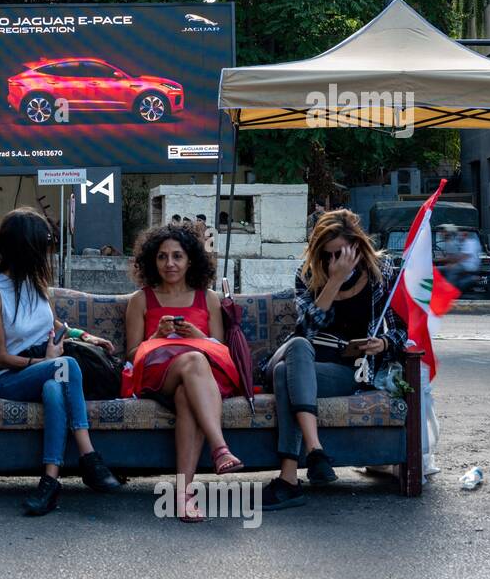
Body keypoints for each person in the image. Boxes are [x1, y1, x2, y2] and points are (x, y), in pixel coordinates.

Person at [262, 209, 407, 511]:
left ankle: (289, 481)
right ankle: (315, 451)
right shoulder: (307, 275)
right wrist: (333, 281)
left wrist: (382, 343)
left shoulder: (381, 272)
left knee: (283, 376)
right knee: (298, 348)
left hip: (342, 370)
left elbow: (402, 332)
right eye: (326, 255)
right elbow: (306, 329)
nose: (333, 261)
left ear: (356, 245)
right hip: (303, 356)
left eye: (340, 253)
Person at [0, 207, 121, 516]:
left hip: (45, 371)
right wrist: (43, 360)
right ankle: (89, 456)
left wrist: (87, 336)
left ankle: (49, 482)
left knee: (56, 389)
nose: (47, 251)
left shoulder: (36, 285)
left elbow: (54, 325)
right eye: (42, 245)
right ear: (24, 247)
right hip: (10, 377)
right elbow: (0, 356)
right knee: (64, 366)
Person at [124, 223, 243, 522]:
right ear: (153, 260)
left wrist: (198, 335)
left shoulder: (209, 298)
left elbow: (221, 350)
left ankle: (182, 495)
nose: (170, 263)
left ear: (191, 259)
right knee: (193, 360)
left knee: (187, 395)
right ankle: (220, 448)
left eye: (177, 256)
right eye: (162, 257)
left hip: (200, 380)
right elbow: (130, 354)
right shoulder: (141, 299)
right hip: (155, 373)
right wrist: (157, 338)